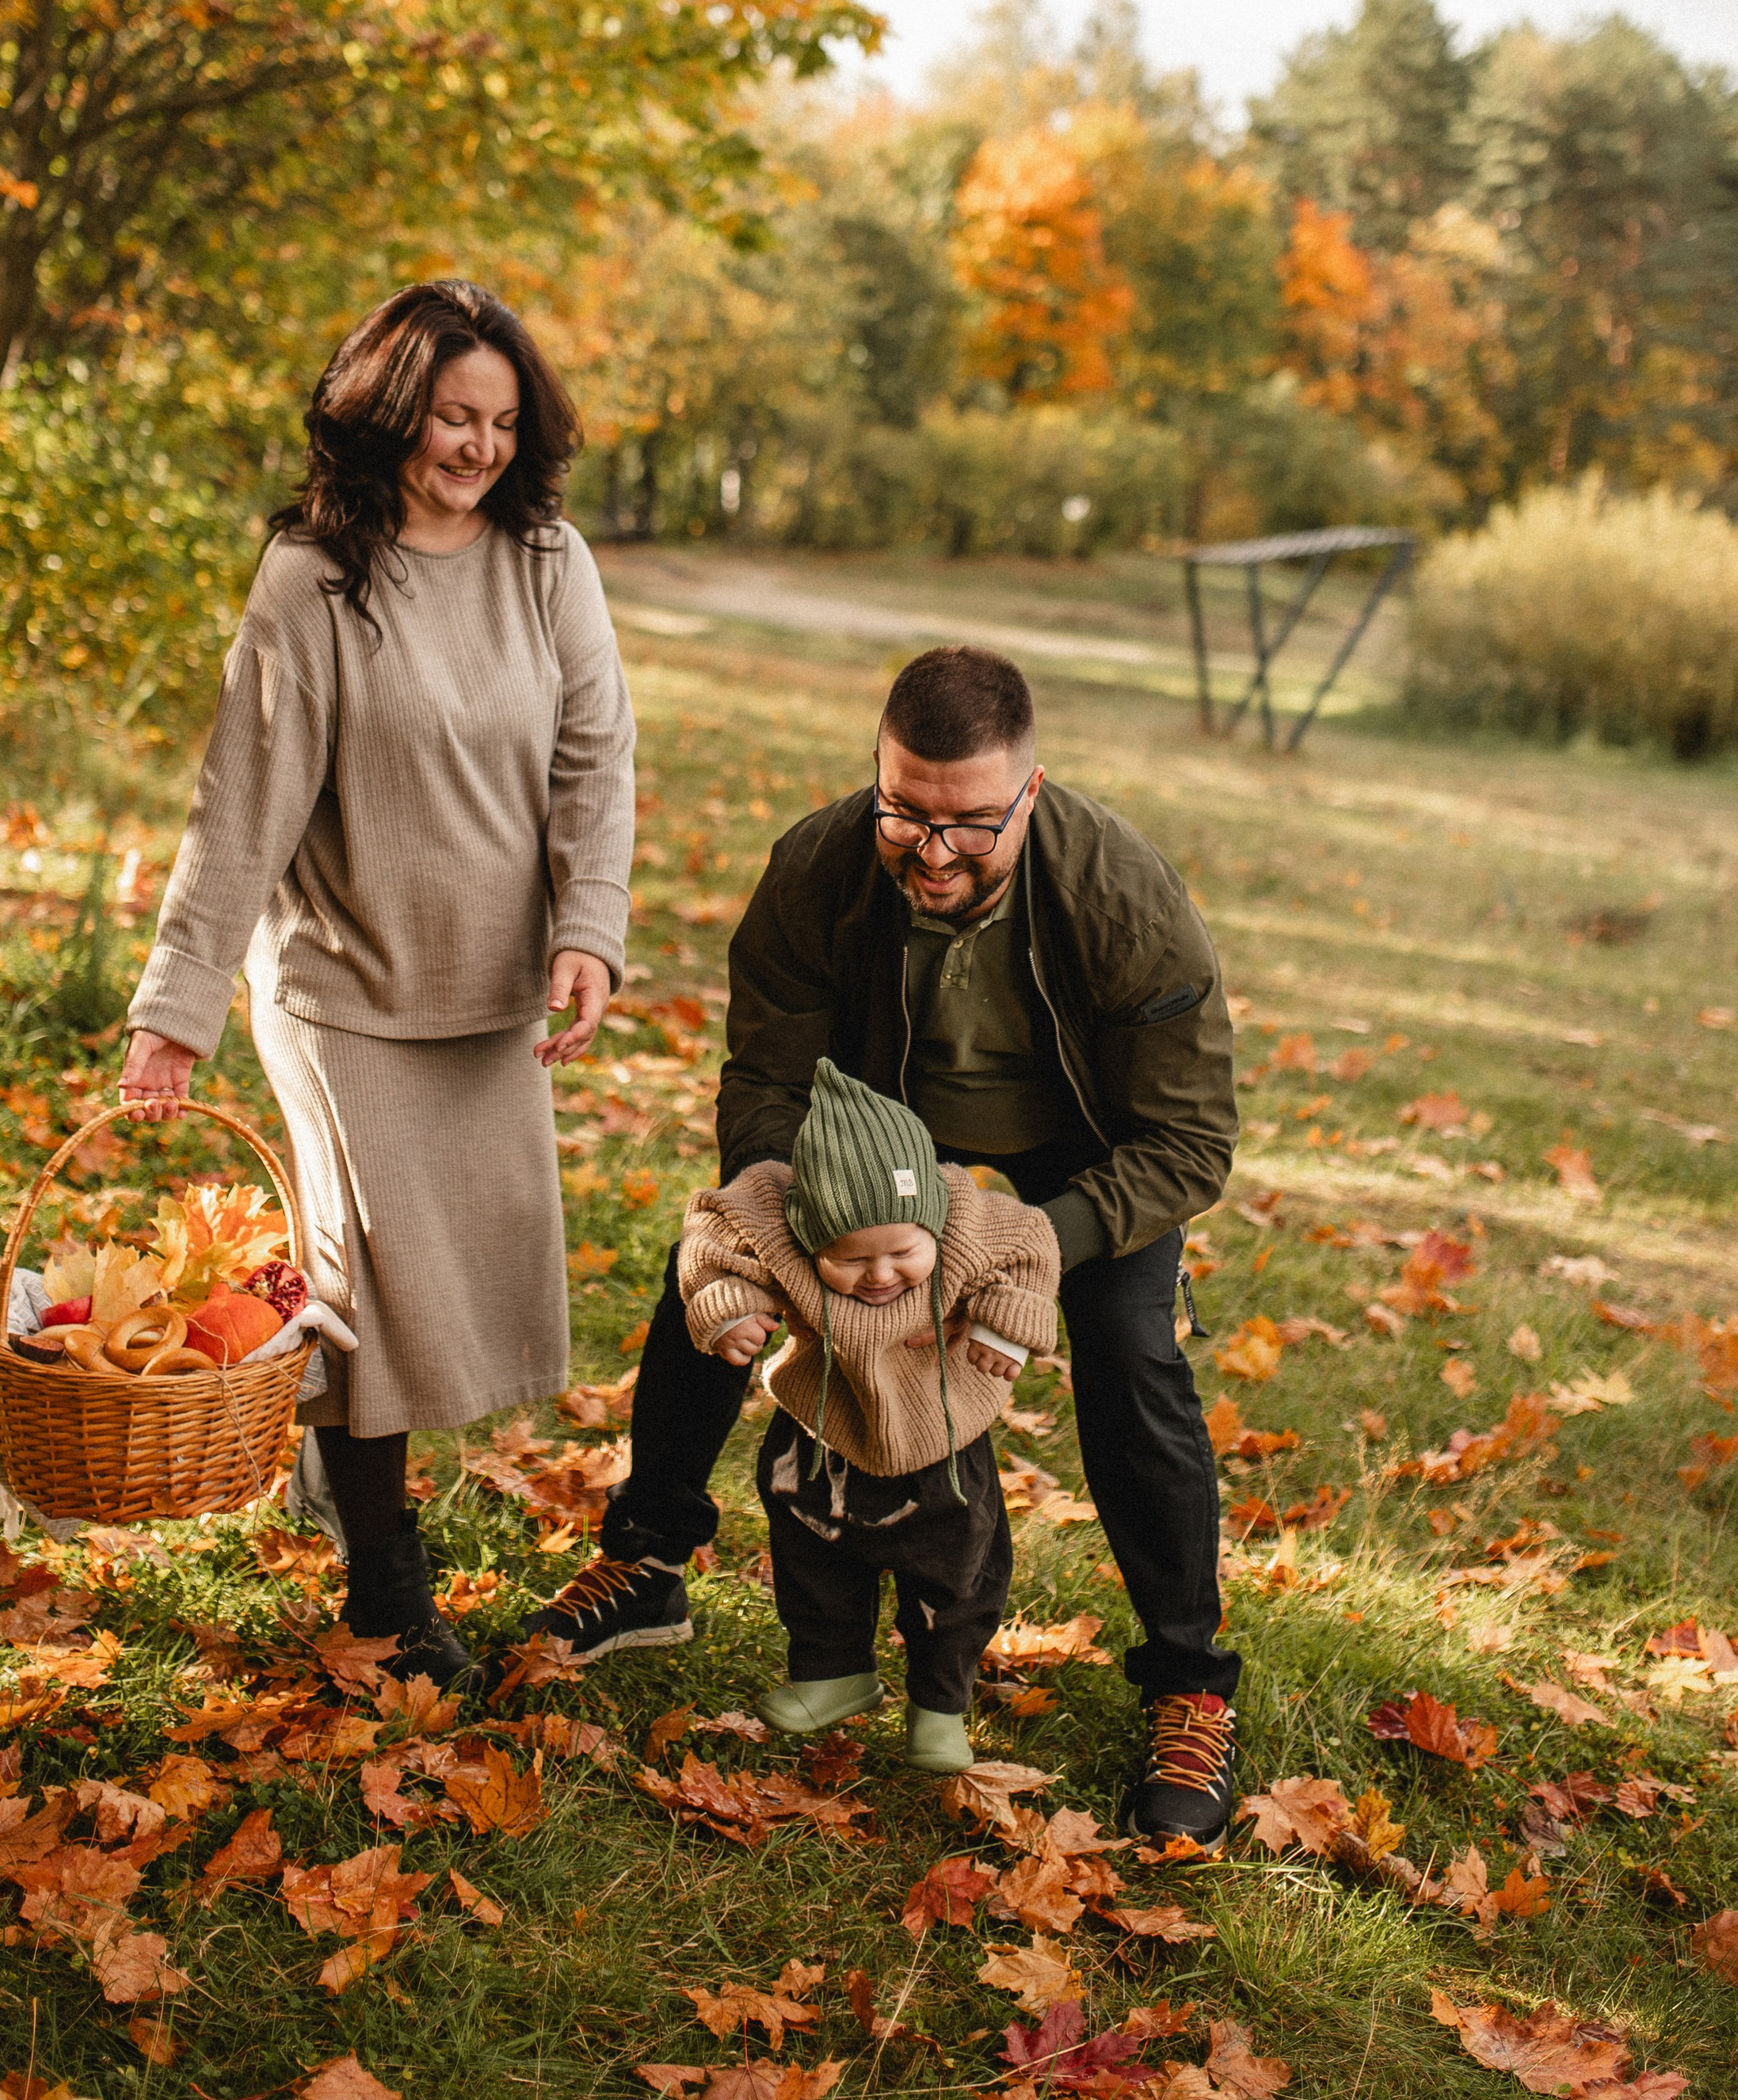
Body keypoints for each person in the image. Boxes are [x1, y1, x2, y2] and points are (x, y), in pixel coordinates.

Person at [501, 643, 1244, 1840]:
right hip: (870, 1145)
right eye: (908, 811)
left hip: (1078, 1156)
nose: (933, 850)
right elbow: (764, 1079)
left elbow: (1191, 1144)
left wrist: (1020, 1248)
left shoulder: (1123, 899)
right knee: (710, 1271)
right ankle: (648, 1562)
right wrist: (778, 1222)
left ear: (1031, 795)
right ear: (880, 774)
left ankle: (1189, 1681)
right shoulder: (820, 864)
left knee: (1128, 1348)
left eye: (970, 825)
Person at [119, 279, 634, 1685]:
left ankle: (328, 1468)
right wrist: (177, 1008)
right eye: (451, 416)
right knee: (378, 1284)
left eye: (501, 421)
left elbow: (596, 755)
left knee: (441, 1279)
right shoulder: (315, 573)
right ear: (390, 409)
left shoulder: (549, 561)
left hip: (489, 990)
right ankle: (387, 1598)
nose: (476, 445)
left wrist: (587, 926)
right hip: (339, 985)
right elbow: (245, 804)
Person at [679, 1057, 1059, 1774]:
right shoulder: (778, 1226)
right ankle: (833, 1674)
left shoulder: (967, 1223)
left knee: (957, 1577)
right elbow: (714, 1229)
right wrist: (728, 1304)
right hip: (823, 1434)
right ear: (808, 1235)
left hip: (944, 1441)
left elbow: (1032, 1239)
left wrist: (1004, 1321)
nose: (880, 1276)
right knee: (811, 1556)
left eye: (901, 1253)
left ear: (933, 1226)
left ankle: (939, 1707)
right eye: (850, 1260)